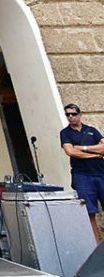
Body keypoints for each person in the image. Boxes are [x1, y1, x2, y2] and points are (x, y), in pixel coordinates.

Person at [60, 103, 104, 243]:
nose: (71, 117)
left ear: (80, 114)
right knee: (89, 212)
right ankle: (96, 246)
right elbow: (71, 152)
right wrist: (94, 154)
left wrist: (83, 148)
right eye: (68, 114)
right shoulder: (65, 133)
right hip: (82, 176)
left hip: (101, 173)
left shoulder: (91, 130)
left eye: (73, 114)